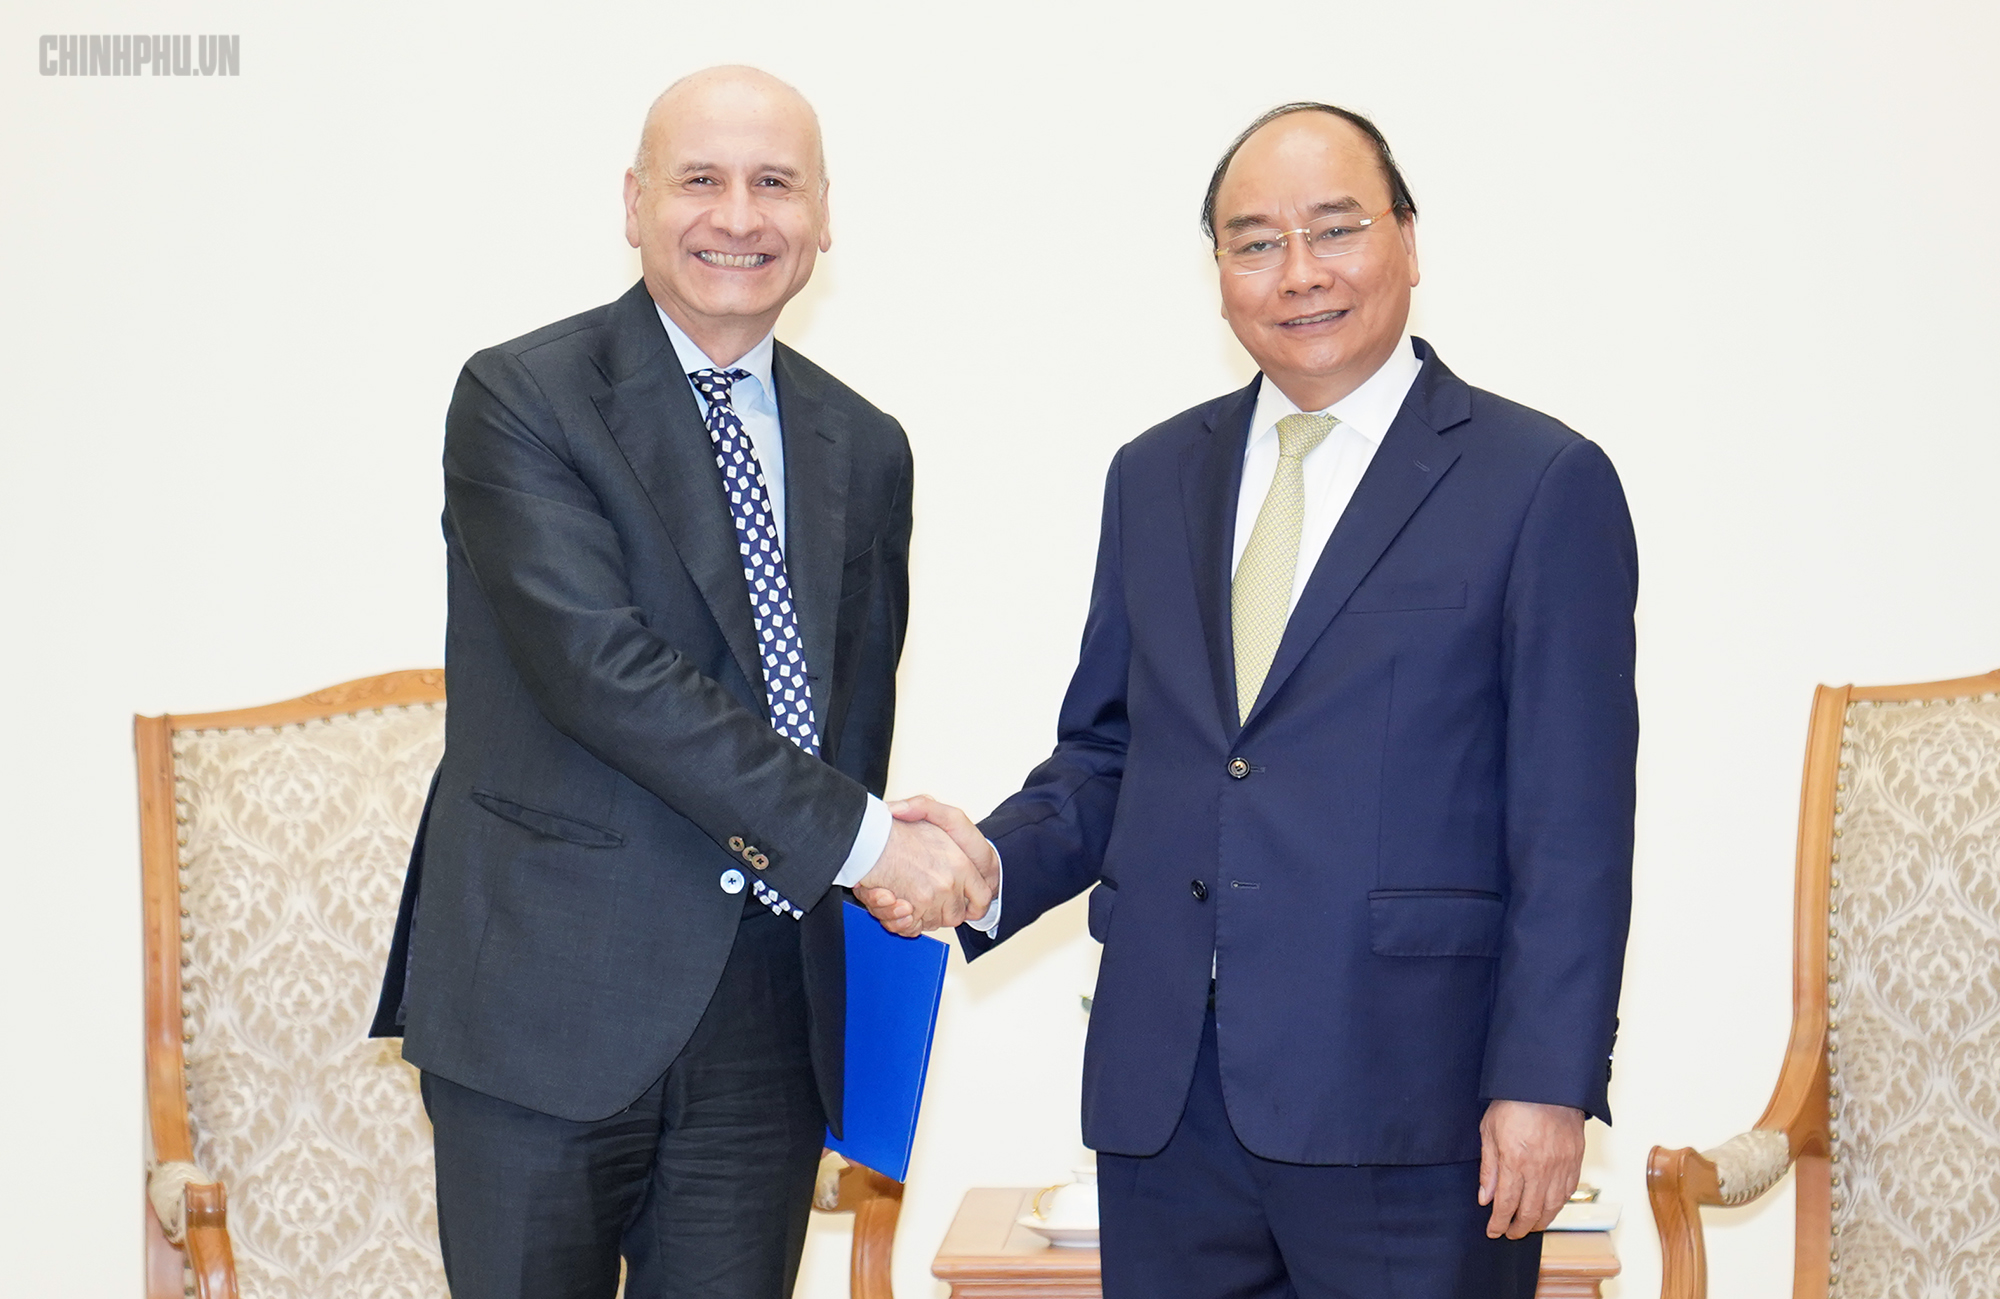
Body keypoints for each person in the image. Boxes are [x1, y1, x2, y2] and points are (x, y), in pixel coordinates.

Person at [878, 103, 1637, 1298]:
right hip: (1167, 1108)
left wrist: (1545, 1081)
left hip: (1414, 1110)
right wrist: (986, 866)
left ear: (1406, 241)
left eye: (1334, 229)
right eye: (1254, 242)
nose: (1298, 273)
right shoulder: (1153, 474)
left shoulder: (1538, 481)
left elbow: (1573, 821)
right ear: (1218, 272)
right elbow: (1114, 753)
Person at [370, 66, 995, 1299]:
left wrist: (881, 860)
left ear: (824, 216)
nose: (738, 216)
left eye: (776, 184)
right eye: (700, 179)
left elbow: (846, 722)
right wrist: (872, 841)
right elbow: (604, 673)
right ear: (633, 202)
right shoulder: (522, 399)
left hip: (764, 1021)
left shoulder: (866, 447)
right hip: (544, 1002)